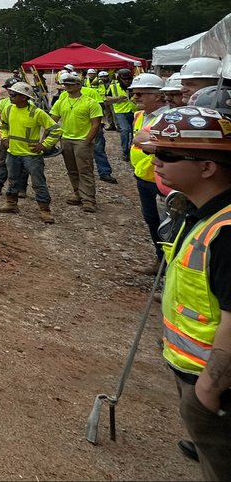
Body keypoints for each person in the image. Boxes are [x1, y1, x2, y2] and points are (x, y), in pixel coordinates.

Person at [149, 107, 231, 481]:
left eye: (167, 155)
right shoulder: (199, 213)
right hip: (191, 366)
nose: (156, 161)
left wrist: (209, 391)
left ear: (207, 167)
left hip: (216, 384)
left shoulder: (226, 232)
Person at [0, 82, 61, 223]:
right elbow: (3, 125)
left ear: (24, 97)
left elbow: (56, 130)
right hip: (13, 152)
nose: (10, 96)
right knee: (13, 179)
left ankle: (45, 209)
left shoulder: (36, 113)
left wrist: (44, 145)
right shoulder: (8, 109)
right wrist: (5, 137)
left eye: (14, 94)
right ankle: (11, 203)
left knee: (38, 182)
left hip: (31, 155)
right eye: (10, 93)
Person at [126, 73, 169, 264]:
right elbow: (139, 141)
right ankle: (160, 261)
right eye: (134, 94)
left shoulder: (167, 117)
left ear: (158, 95)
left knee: (166, 226)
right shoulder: (140, 116)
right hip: (143, 176)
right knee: (152, 221)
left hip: (161, 180)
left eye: (141, 94)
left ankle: (168, 267)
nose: (135, 97)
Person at [51, 72, 103, 212]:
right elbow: (52, 120)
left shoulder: (90, 103)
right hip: (66, 139)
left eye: (70, 84)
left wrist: (87, 141)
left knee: (85, 170)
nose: (67, 86)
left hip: (81, 141)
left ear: (79, 85)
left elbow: (96, 124)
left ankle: (89, 200)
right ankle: (78, 194)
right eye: (66, 84)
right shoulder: (61, 101)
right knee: (72, 170)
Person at [106, 68, 137, 161]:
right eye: (124, 79)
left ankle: (133, 149)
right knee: (125, 130)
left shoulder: (135, 85)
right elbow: (107, 97)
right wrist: (116, 98)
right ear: (119, 79)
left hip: (134, 111)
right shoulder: (113, 86)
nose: (127, 81)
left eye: (128, 79)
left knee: (135, 132)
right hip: (120, 111)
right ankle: (125, 151)